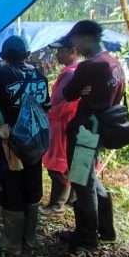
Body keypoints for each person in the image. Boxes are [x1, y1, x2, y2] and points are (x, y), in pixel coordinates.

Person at [0, 35, 50, 255]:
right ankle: (30, 238)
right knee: (32, 185)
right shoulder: (39, 75)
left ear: (2, 57)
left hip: (10, 143)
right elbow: (46, 105)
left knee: (12, 188)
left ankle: (11, 242)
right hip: (35, 143)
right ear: (27, 55)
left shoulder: (1, 73)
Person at [60, 20, 125, 251]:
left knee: (81, 183)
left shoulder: (90, 67)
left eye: (75, 41)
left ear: (86, 37)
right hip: (102, 129)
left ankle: (86, 237)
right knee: (91, 179)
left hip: (85, 132)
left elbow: (69, 93)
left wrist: (83, 91)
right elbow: (116, 99)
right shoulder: (115, 64)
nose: (74, 46)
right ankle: (106, 230)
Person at [40, 36, 79, 215]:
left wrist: (51, 112)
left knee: (58, 166)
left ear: (73, 52)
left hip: (62, 124)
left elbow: (70, 103)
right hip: (58, 123)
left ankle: (57, 204)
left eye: (61, 51)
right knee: (61, 163)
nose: (57, 54)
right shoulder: (69, 72)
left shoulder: (72, 73)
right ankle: (69, 199)